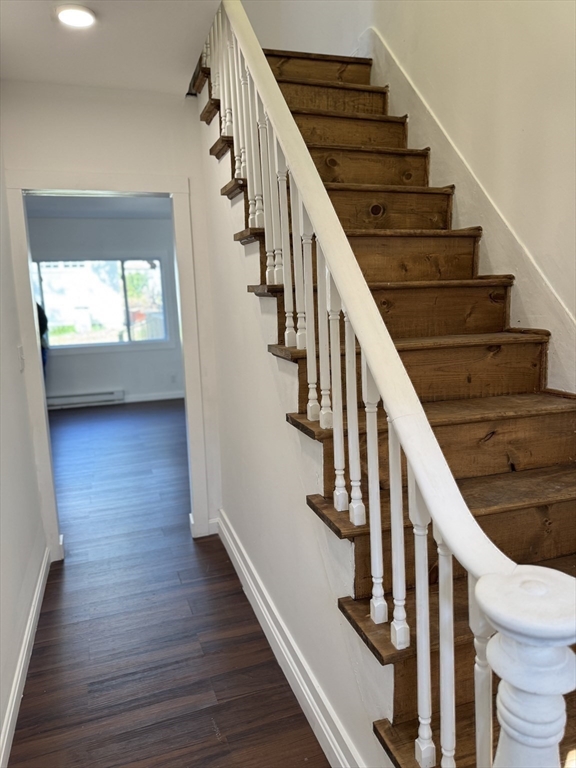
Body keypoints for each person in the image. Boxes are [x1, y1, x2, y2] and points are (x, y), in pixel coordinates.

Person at [37, 303, 49, 375]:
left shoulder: (33, 305)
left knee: (40, 374)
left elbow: (43, 323)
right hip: (39, 346)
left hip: (39, 345)